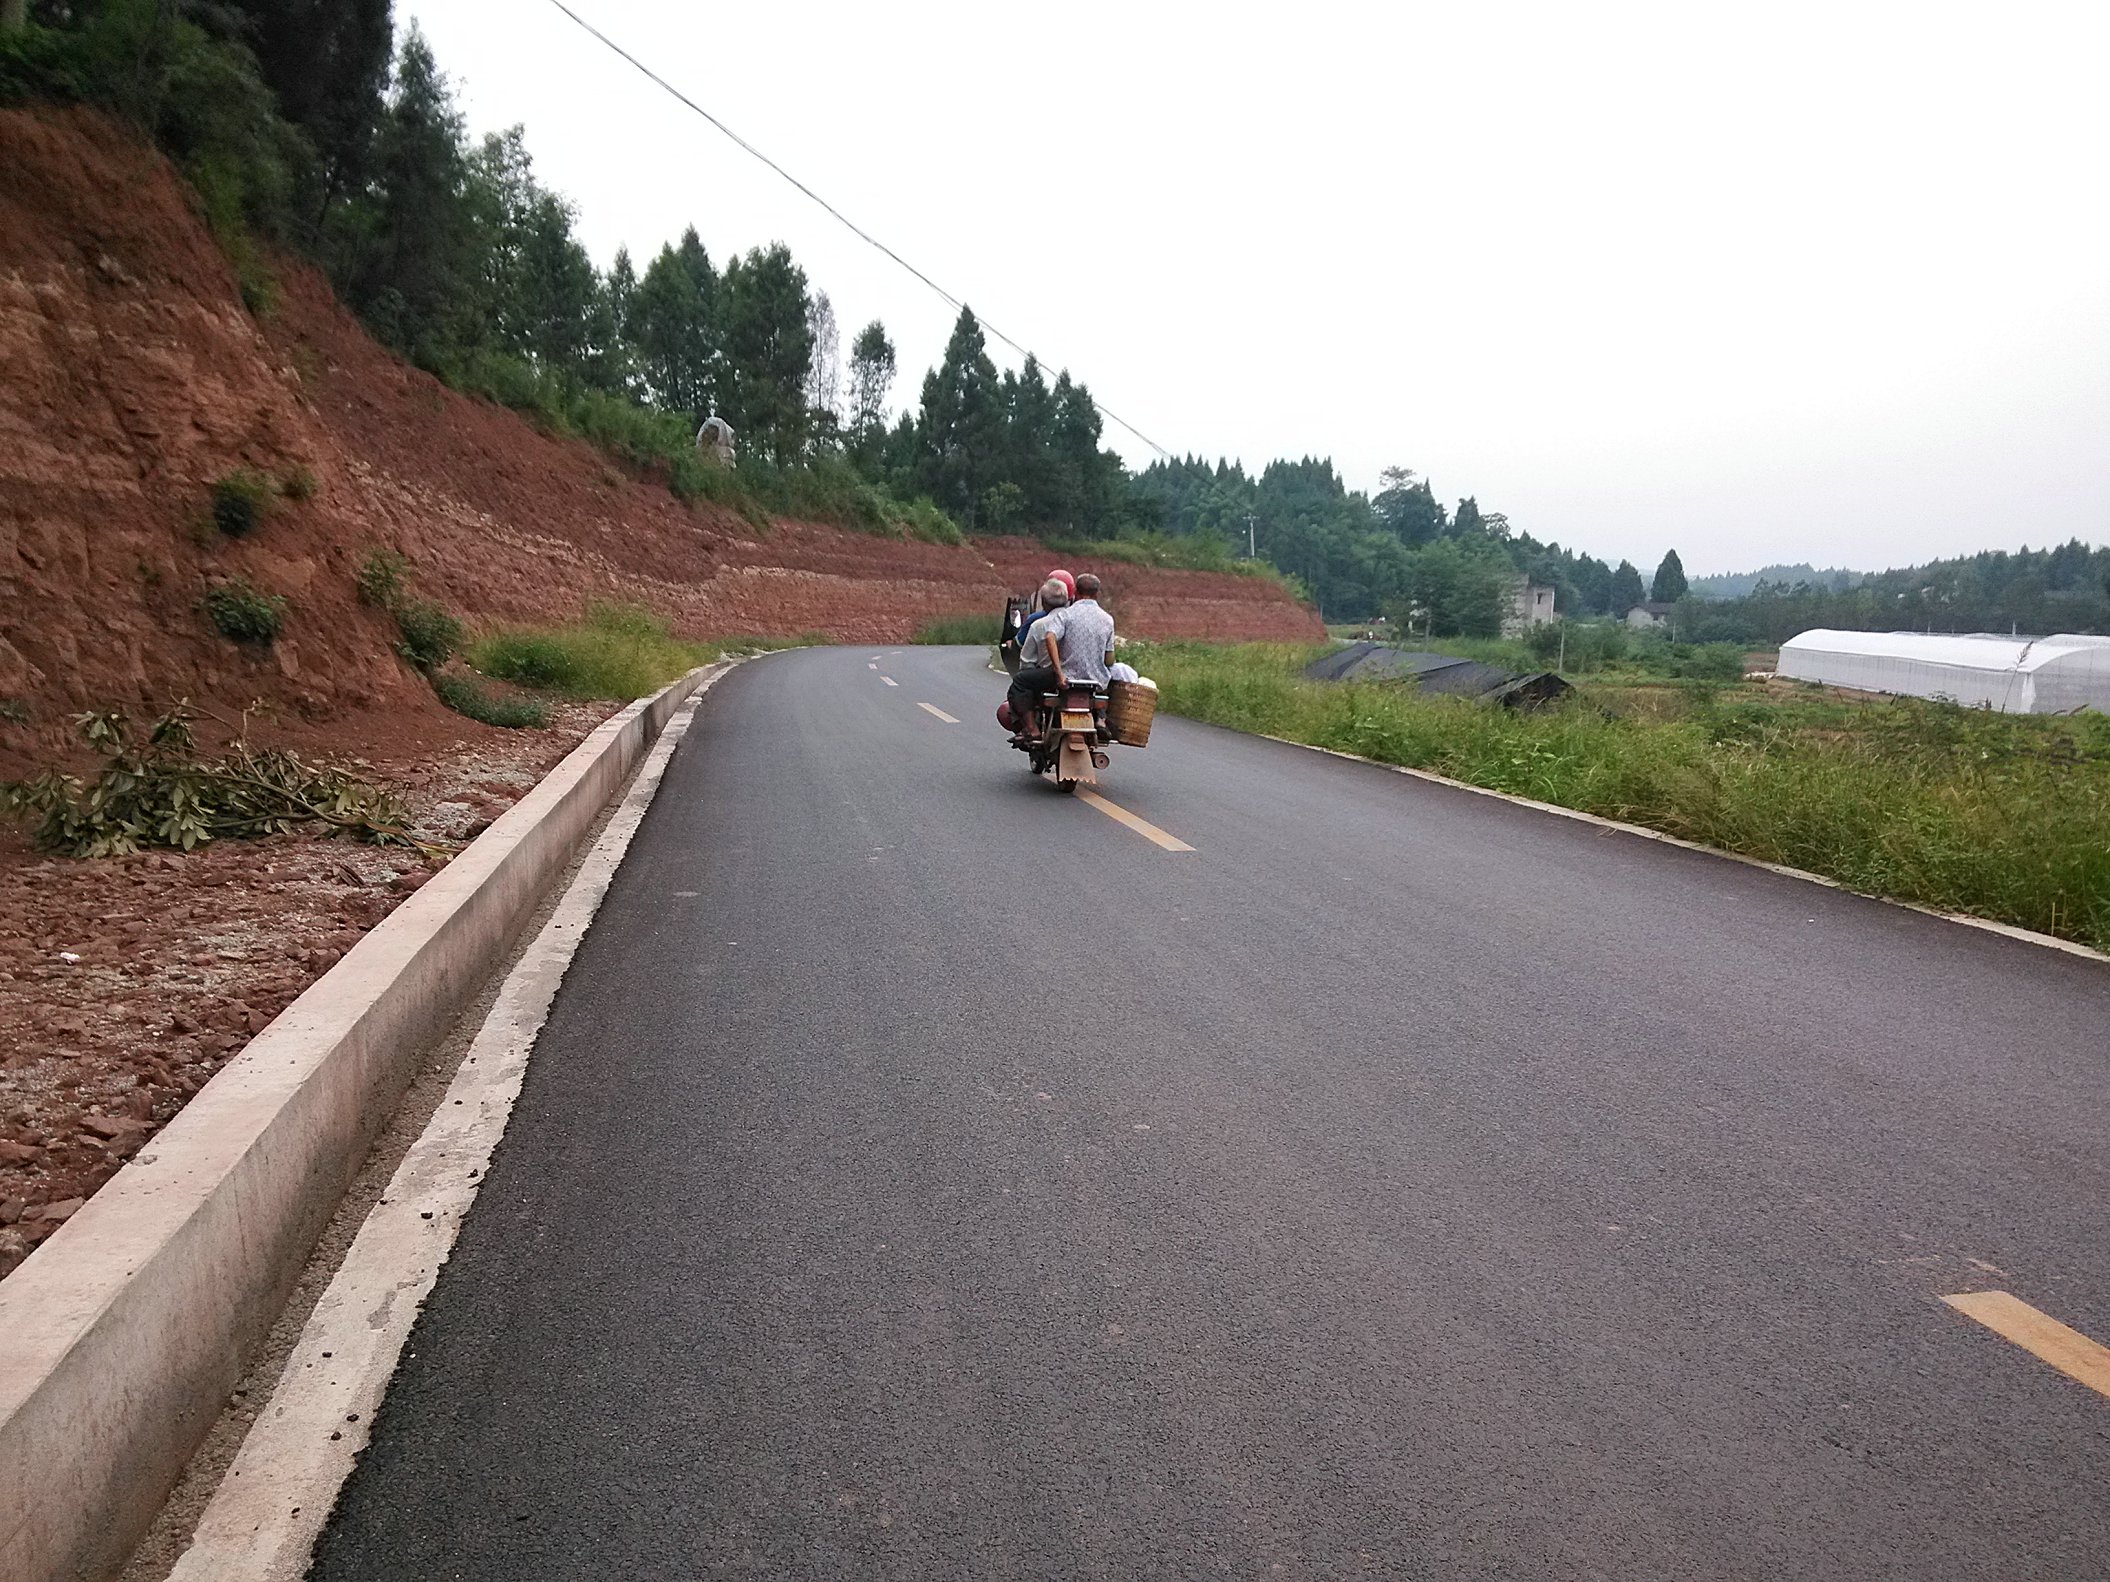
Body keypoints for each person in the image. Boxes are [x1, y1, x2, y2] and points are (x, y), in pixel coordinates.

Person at [1006, 577, 1070, 738]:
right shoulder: (1077, 620)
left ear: (1044, 602)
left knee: (1020, 681)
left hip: (1053, 676)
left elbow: (1026, 661)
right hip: (1083, 676)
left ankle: (1031, 728)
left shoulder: (1039, 624)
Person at [1041, 572, 1116, 693]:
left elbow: (1050, 636)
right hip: (1098, 684)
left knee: (1024, 680)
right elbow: (1109, 660)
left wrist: (1059, 672)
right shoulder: (1107, 620)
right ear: (1097, 594)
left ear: (1076, 592)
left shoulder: (1066, 615)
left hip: (1067, 680)